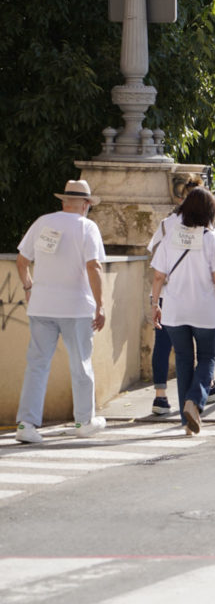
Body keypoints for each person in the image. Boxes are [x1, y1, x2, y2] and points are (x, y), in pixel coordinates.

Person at [14, 180, 108, 443]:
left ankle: (26, 424)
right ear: (86, 204)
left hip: (41, 305)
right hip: (75, 307)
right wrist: (100, 305)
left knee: (37, 365)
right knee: (81, 365)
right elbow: (94, 268)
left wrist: (28, 286)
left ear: (64, 201)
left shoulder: (43, 222)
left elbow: (22, 260)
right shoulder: (87, 227)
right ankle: (84, 421)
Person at [150, 187, 215, 436]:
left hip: (174, 310)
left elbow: (158, 276)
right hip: (204, 310)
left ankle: (187, 422)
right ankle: (194, 402)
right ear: (210, 212)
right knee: (207, 358)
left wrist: (155, 304)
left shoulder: (170, 237)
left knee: (185, 360)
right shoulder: (213, 240)